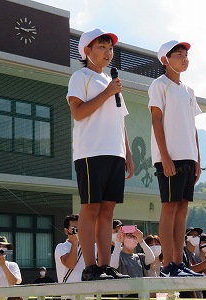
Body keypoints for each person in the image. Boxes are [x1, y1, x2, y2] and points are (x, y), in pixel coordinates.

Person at [67, 28, 134, 281]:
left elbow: (120, 121)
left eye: (110, 48)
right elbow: (78, 112)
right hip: (90, 152)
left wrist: (126, 153)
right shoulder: (80, 76)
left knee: (108, 211)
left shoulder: (111, 81)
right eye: (102, 47)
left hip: (114, 152)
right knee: (90, 207)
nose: (108, 53)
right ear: (87, 51)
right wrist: (107, 92)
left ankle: (106, 267)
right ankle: (90, 267)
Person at [148, 40, 202, 277]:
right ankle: (168, 265)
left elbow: (194, 127)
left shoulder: (189, 91)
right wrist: (165, 156)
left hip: (188, 158)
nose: (184, 58)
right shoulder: (159, 85)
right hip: (168, 157)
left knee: (182, 209)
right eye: (178, 54)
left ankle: (180, 264)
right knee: (169, 208)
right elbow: (156, 120)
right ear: (165, 60)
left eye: (186, 55)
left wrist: (198, 159)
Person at [54, 214, 85, 283]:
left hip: (87, 291)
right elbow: (70, 264)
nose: (78, 231)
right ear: (66, 231)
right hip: (68, 291)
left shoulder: (90, 247)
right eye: (74, 228)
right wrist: (75, 243)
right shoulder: (61, 247)